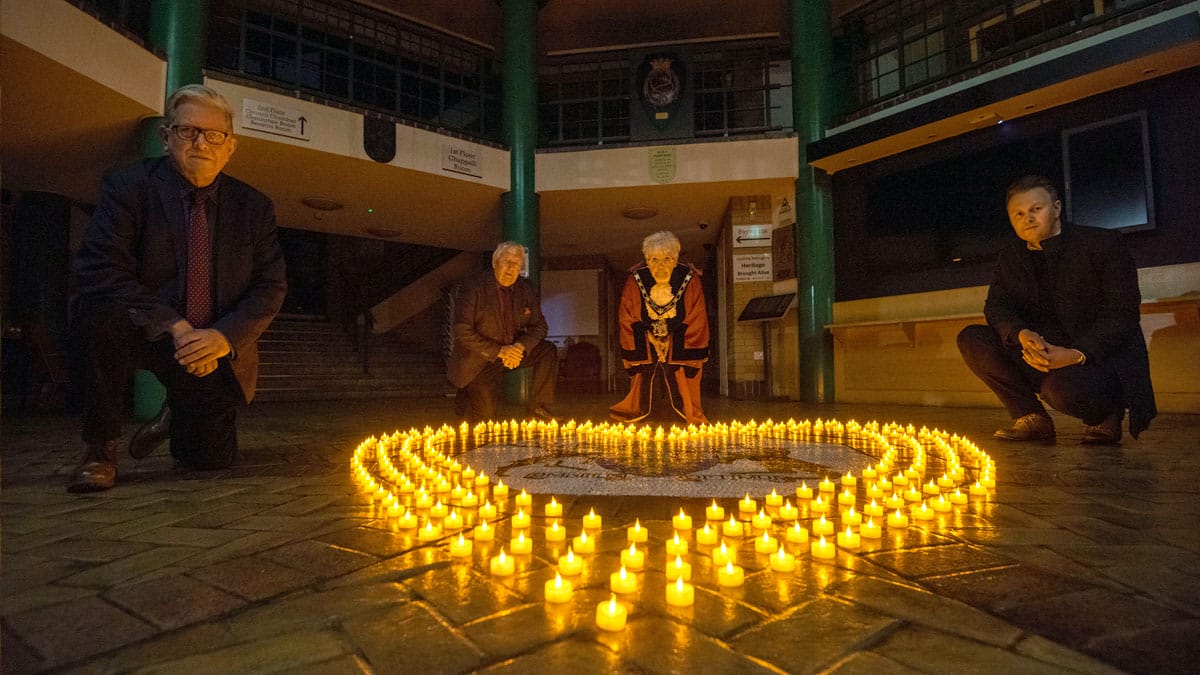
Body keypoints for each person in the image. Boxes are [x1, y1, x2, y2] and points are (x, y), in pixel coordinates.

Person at [67, 84, 287, 492]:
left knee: (209, 460)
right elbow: (101, 270)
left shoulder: (254, 207)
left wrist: (223, 337)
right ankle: (100, 448)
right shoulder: (128, 187)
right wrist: (175, 325)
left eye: (214, 135)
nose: (201, 142)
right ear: (166, 137)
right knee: (99, 314)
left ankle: (177, 412)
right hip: (143, 327)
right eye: (188, 131)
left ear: (230, 147)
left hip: (211, 342)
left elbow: (270, 286)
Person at [957, 174, 1155, 445]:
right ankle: (1030, 417)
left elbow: (1123, 314)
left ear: (1057, 208)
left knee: (1060, 390)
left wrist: (1076, 353)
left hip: (1095, 358)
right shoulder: (1011, 256)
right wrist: (1020, 334)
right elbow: (996, 306)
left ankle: (1105, 414)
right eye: (1019, 213)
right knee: (973, 338)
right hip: (1041, 352)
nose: (1028, 218)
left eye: (1036, 209)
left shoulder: (1101, 244)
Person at [447, 241, 558, 421]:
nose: (511, 268)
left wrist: (520, 346)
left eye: (516, 264)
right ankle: (467, 392)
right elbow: (462, 330)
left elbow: (540, 326)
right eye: (506, 261)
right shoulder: (474, 286)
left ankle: (538, 406)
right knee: (485, 419)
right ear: (494, 263)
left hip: (511, 350)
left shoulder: (525, 288)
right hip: (480, 359)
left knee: (547, 350)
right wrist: (499, 351)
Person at [610, 231, 710, 425]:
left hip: (679, 338)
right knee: (644, 366)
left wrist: (670, 341)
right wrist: (652, 339)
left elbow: (696, 317)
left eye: (667, 259)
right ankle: (640, 409)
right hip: (646, 338)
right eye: (654, 260)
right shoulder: (635, 280)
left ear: (675, 259)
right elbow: (627, 315)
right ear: (647, 260)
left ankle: (686, 411)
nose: (661, 266)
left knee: (680, 365)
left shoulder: (691, 280)